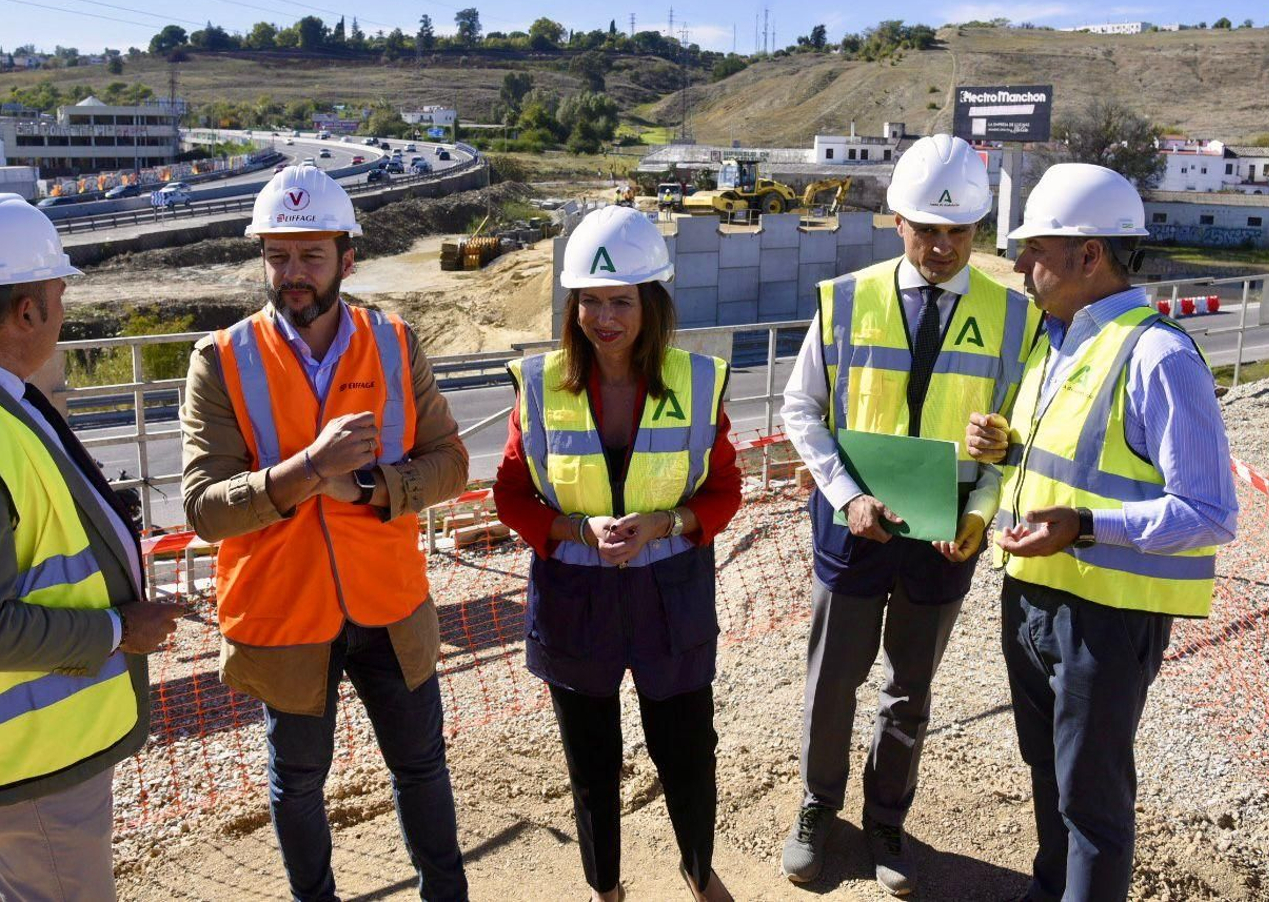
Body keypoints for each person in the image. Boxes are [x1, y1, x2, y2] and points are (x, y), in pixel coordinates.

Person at [0, 193, 185, 901]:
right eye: (57, 290)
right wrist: (118, 628)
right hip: (24, 755)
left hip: (38, 743)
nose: (62, 302)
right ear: (27, 312)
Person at [180, 164, 471, 902]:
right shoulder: (219, 361)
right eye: (277, 256)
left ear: (348, 258)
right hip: (286, 615)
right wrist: (305, 469)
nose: (293, 274)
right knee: (298, 783)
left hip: (389, 606)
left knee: (421, 767)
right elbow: (205, 508)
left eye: (311, 256)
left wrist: (373, 484)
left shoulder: (395, 342)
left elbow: (451, 464)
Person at [965, 163, 1237, 902]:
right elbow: (1076, 459)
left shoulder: (1159, 355)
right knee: (1049, 775)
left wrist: (1085, 527)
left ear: (1090, 255)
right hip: (1030, 600)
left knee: (1093, 805)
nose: (1019, 265)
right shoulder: (1057, 341)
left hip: (1105, 618)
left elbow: (1212, 512)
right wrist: (1006, 448)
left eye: (1035, 251)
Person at [779, 134, 1040, 895]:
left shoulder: (1012, 318)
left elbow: (1016, 440)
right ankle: (817, 808)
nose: (943, 246)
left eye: (959, 231)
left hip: (944, 540)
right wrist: (846, 495)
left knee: (909, 689)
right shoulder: (847, 300)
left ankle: (887, 817)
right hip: (853, 526)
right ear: (897, 220)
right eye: (928, 229)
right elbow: (803, 409)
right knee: (833, 680)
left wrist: (985, 504)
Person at [493, 206, 743, 902]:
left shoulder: (697, 382)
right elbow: (511, 495)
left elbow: (726, 490)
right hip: (578, 606)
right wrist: (577, 531)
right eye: (591, 301)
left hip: (673, 603)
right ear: (573, 304)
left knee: (688, 754)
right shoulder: (540, 387)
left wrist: (665, 520)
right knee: (592, 766)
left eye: (621, 301)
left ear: (651, 303)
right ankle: (606, 888)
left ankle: (699, 870)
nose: (605, 317)